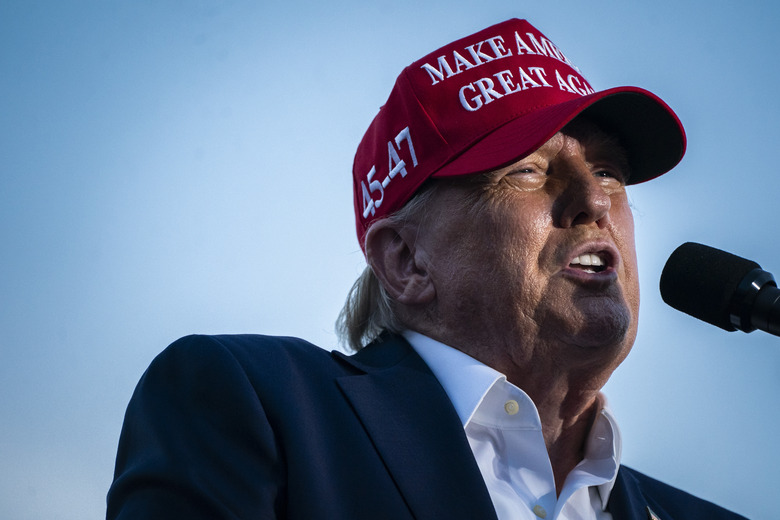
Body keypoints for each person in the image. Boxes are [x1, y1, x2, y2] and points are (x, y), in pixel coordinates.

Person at [106, 19, 747, 520]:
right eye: (527, 170)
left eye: (608, 171)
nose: (597, 200)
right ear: (407, 260)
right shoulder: (257, 405)